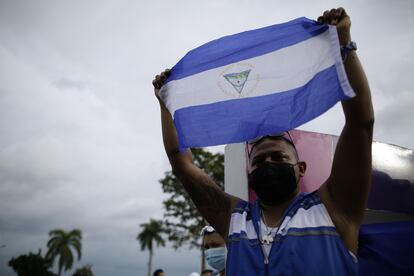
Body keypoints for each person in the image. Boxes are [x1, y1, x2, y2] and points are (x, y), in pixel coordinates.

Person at [153, 7, 373, 276]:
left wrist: (343, 44)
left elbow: (360, 124)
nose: (268, 162)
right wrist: (167, 104)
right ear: (249, 172)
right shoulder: (234, 218)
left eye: (278, 158)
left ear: (301, 168)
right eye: (259, 160)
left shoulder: (335, 207)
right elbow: (180, 161)